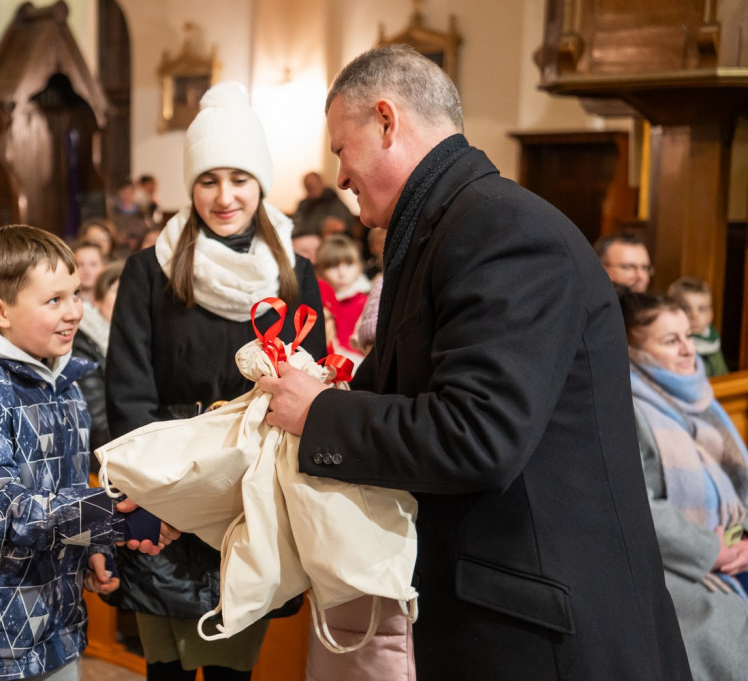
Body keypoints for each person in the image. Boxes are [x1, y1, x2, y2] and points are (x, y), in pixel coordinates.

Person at [259, 45, 691, 680]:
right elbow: (390, 399)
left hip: (544, 637)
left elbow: (478, 434)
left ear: (387, 121)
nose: (342, 177)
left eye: (341, 150)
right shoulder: (444, 232)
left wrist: (320, 412)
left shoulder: (501, 231)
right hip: (501, 619)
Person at [107, 81, 326, 681]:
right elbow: (128, 388)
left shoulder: (293, 274)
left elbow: (314, 387)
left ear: (261, 183)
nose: (224, 196)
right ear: (190, 185)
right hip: (167, 484)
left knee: (232, 666)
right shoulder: (148, 272)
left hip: (249, 489)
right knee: (166, 669)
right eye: (208, 180)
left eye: (239, 179)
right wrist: (156, 495)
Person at [0, 225, 175, 681]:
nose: (74, 312)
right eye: (53, 301)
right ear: (0, 310)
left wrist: (91, 549)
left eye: (76, 294)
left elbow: (61, 494)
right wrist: (116, 514)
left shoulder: (63, 384)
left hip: (50, 624)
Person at [621, 290, 748, 679]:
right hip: (675, 560)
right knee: (724, 625)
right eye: (670, 340)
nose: (687, 350)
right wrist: (711, 549)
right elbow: (633, 503)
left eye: (689, 336)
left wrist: (740, 541)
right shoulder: (628, 405)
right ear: (634, 350)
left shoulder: (703, 399)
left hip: (733, 543)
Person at [73, 260, 124, 456]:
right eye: (117, 290)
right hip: (105, 457)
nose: (125, 298)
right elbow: (97, 424)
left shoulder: (138, 341)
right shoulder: (83, 341)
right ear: (97, 298)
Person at [314, 234, 370, 365]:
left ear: (359, 267)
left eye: (349, 265)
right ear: (320, 271)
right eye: (333, 267)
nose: (342, 273)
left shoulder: (366, 301)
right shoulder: (318, 301)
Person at [667, 276, 729, 377]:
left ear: (710, 315)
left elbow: (724, 375)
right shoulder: (672, 347)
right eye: (686, 308)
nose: (694, 316)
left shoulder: (713, 341)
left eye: (702, 309)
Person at [292, 171, 355, 238]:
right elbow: (296, 226)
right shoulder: (303, 205)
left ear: (321, 183)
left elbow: (344, 227)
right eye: (308, 187)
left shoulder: (334, 202)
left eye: (313, 185)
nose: (311, 189)